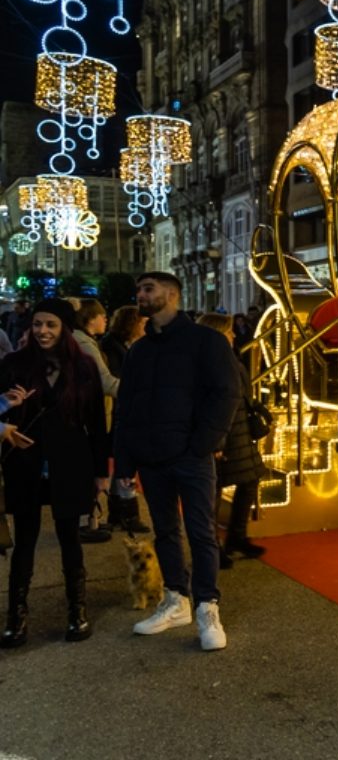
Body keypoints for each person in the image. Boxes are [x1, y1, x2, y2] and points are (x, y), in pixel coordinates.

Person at [114, 272, 241, 652]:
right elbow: (126, 408)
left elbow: (227, 393)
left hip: (190, 455)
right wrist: (125, 463)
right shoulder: (139, 350)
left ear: (171, 294)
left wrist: (202, 443)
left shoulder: (206, 341)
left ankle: (207, 607)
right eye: (139, 289)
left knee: (201, 532)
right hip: (151, 457)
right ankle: (176, 600)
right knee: (166, 531)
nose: (140, 295)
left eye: (147, 288)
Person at [0, 298, 107, 647]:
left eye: (51, 325)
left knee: (69, 537)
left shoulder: (84, 366)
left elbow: (96, 423)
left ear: (65, 328)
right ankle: (16, 617)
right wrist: (5, 426)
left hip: (71, 462)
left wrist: (101, 471)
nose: (42, 331)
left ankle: (77, 611)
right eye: (37, 324)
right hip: (24, 461)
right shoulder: (14, 364)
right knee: (25, 539)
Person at [197, 314, 268, 568]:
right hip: (224, 432)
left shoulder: (227, 358)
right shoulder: (208, 363)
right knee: (213, 492)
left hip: (238, 428)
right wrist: (217, 442)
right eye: (229, 331)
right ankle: (213, 546)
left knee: (250, 480)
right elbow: (213, 402)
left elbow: (239, 393)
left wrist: (256, 406)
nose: (234, 335)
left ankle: (236, 536)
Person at [97, 305, 152, 535]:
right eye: (142, 323)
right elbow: (119, 379)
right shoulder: (115, 348)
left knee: (122, 462)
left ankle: (120, 512)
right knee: (125, 461)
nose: (146, 326)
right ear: (132, 324)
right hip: (122, 411)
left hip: (123, 410)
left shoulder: (119, 345)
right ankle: (128, 513)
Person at [70, 300, 121, 543]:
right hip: (91, 416)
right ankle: (87, 521)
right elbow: (105, 382)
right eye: (102, 316)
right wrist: (141, 392)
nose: (106, 320)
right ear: (91, 319)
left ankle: (91, 520)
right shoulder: (85, 345)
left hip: (91, 414)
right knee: (92, 470)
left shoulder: (86, 342)